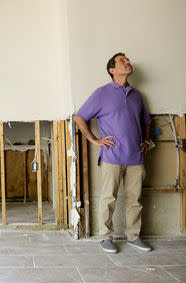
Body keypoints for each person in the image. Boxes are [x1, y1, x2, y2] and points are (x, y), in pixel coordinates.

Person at [73, 53, 152, 253]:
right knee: (109, 198)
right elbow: (79, 117)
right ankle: (106, 237)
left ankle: (134, 237)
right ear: (112, 70)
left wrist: (146, 140)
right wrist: (94, 140)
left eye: (127, 60)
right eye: (121, 61)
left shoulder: (137, 95)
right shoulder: (101, 93)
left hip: (136, 157)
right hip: (112, 156)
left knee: (135, 200)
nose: (127, 62)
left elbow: (146, 121)